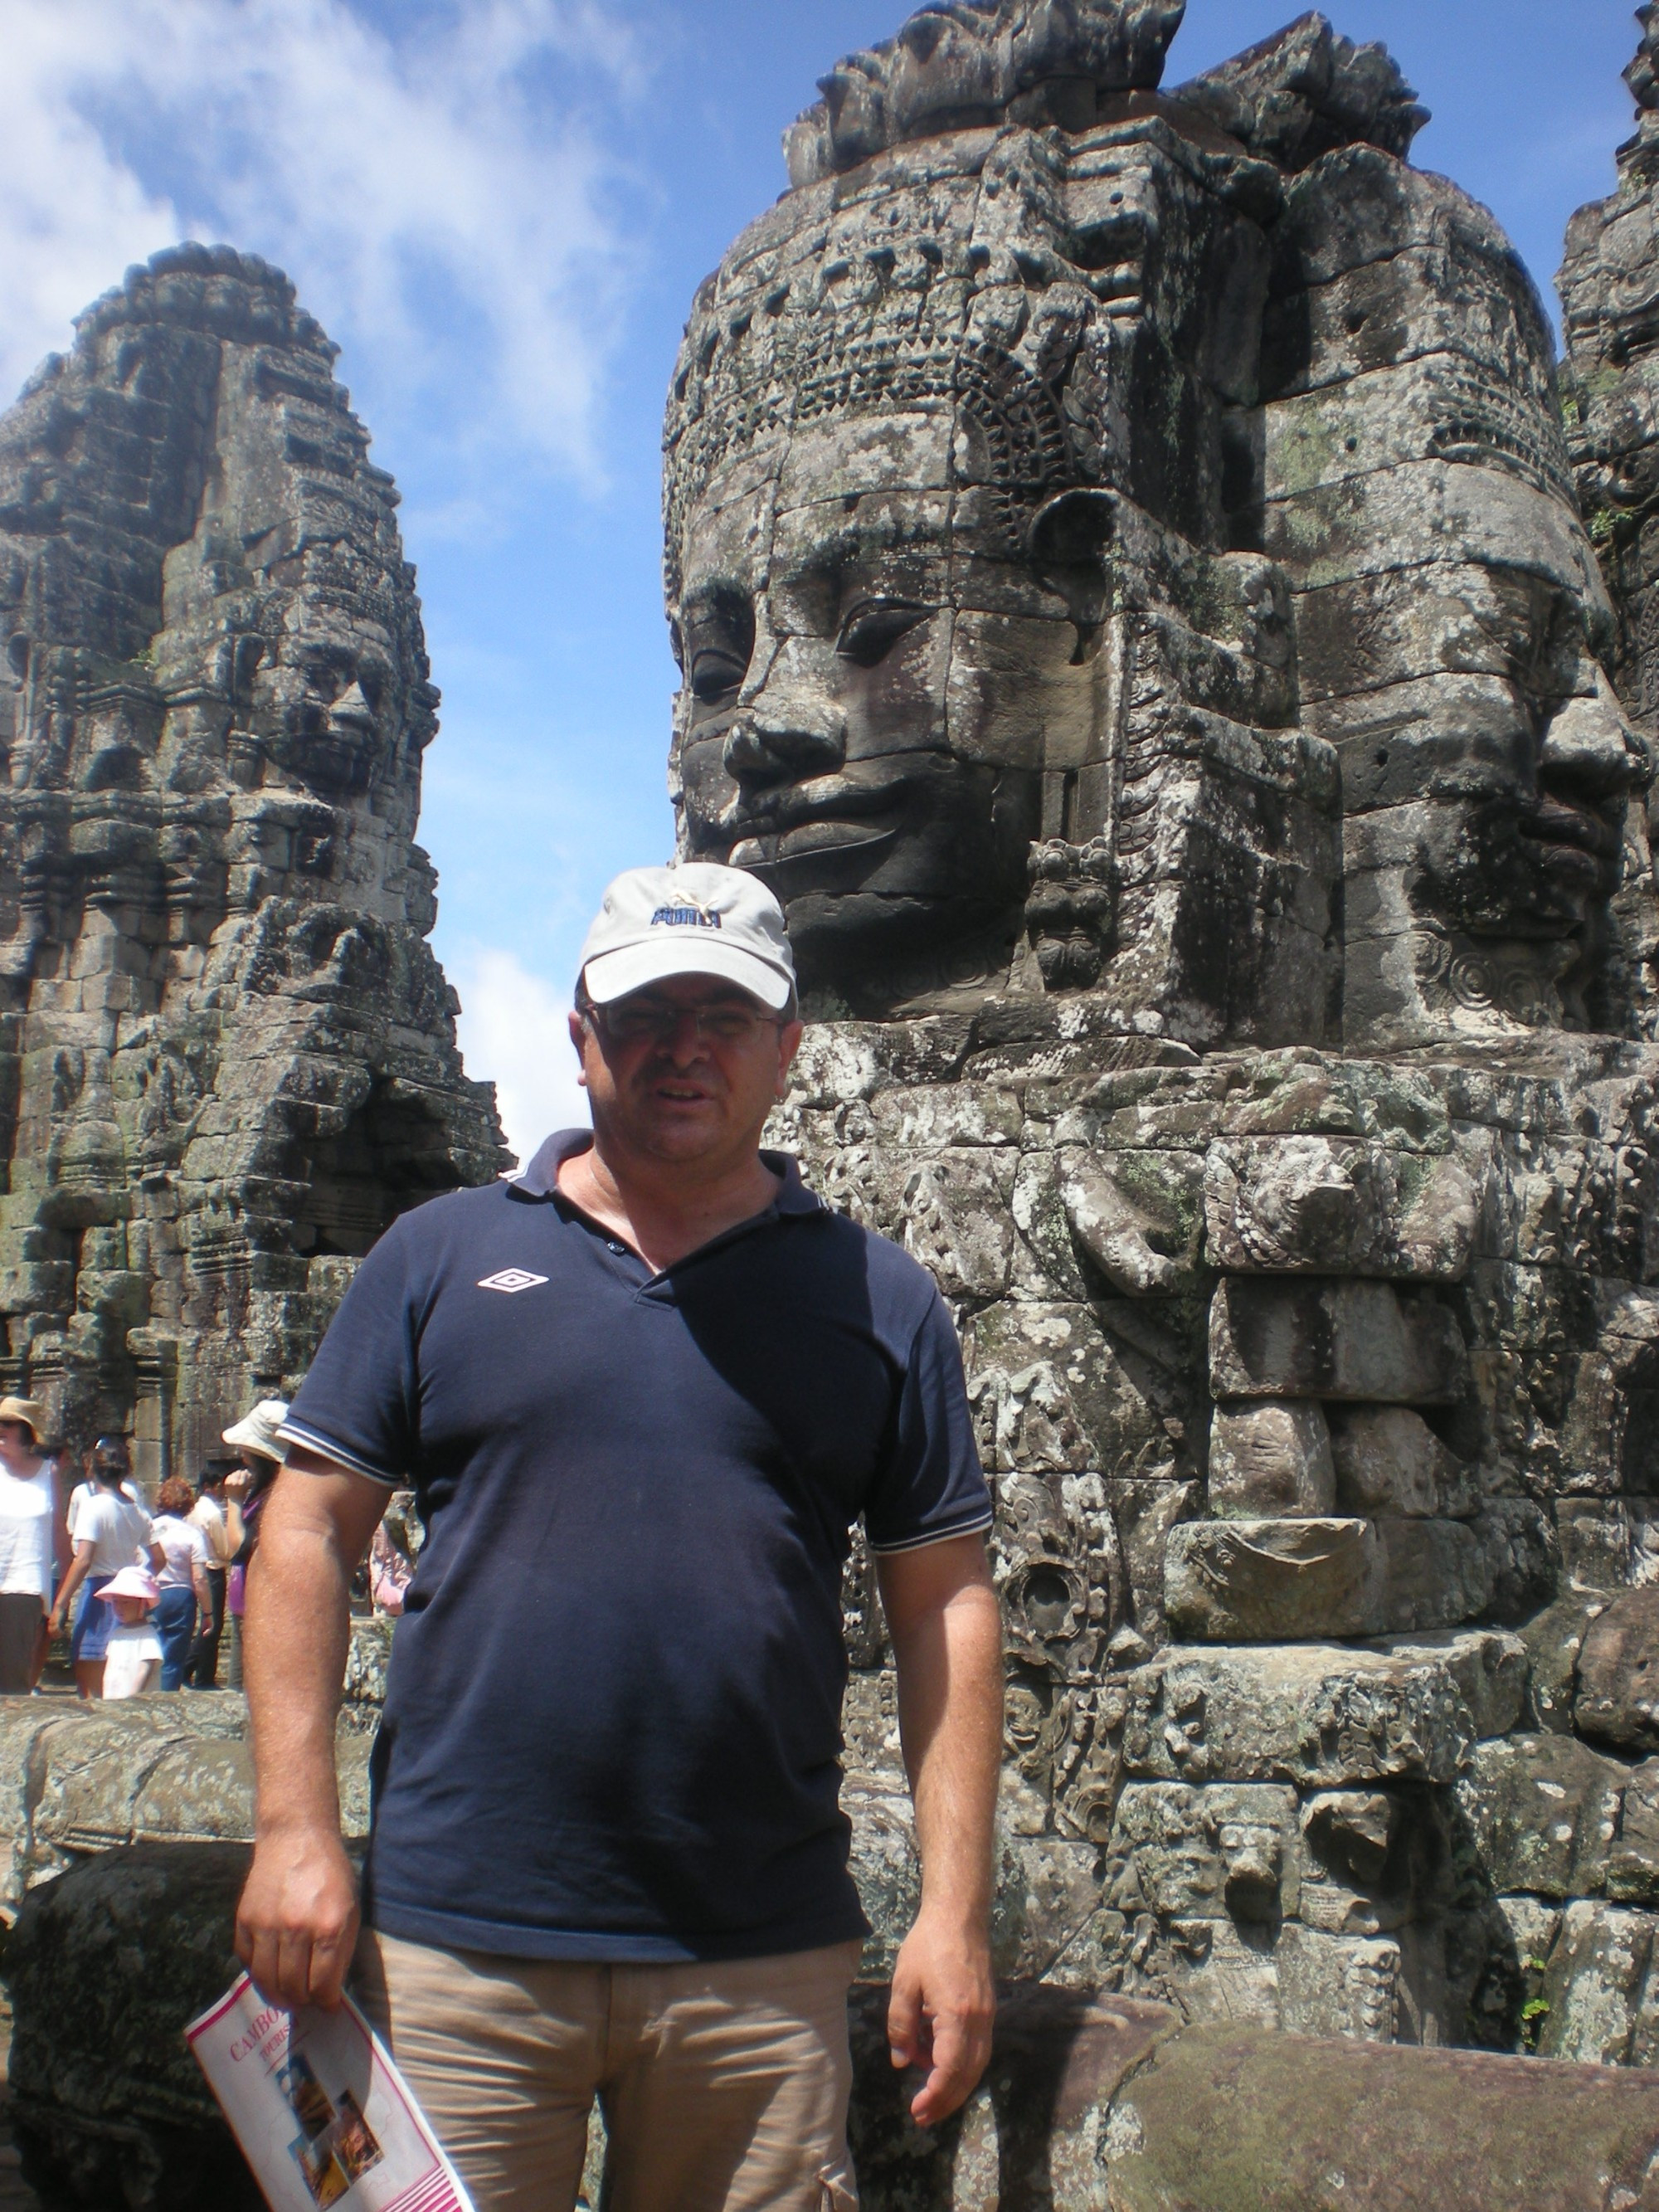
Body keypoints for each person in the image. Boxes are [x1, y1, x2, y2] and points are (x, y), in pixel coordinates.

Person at [236, 862, 1003, 2212]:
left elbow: (945, 1603)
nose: (683, 1047)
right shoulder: (442, 1257)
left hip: (752, 1954)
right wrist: (295, 1831)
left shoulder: (879, 1299)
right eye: (648, 1011)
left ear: (787, 1050)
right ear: (583, 1035)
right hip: (454, 1944)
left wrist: (953, 1912)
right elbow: (304, 1530)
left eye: (724, 1013)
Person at [49, 1438, 162, 1698]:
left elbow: (84, 1559)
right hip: (128, 1595)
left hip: (100, 1594)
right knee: (120, 1681)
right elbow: (158, 1558)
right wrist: (138, 1583)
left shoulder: (94, 1506)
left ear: (92, 1470)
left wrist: (60, 1604)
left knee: (91, 1690)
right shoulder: (137, 1511)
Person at [221, 1401, 287, 1690]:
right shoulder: (260, 1493)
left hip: (259, 1612)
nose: (242, 1456)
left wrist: (233, 1501)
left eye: (247, 1451)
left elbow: (238, 1549)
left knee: (248, 1693)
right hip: (245, 1608)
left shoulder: (275, 1497)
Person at [0, 1399, 56, 1694]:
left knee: (12, 1682)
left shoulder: (50, 1473)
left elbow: (61, 1536)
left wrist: (61, 1602)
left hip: (25, 1586)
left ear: (26, 1435)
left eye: (7, 1427)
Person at [149, 1476, 214, 1690]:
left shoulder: (150, 1527)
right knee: (173, 1658)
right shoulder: (192, 1534)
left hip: (151, 1592)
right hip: (181, 1596)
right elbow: (199, 1578)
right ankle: (166, 1701)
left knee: (149, 1652)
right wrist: (208, 1612)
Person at [187, 1456, 241, 1687]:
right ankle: (194, 1670)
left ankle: (202, 1673)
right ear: (212, 1487)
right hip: (213, 1570)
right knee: (213, 1624)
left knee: (209, 1623)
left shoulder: (193, 1510)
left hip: (199, 1567)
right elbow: (223, 1547)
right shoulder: (212, 1514)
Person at [96, 1566, 164, 1698]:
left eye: (126, 1602)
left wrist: (133, 1697)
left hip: (137, 1702)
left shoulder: (147, 1635)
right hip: (114, 1696)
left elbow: (145, 1668)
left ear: (143, 1604)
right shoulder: (117, 1634)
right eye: (115, 1602)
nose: (119, 1608)